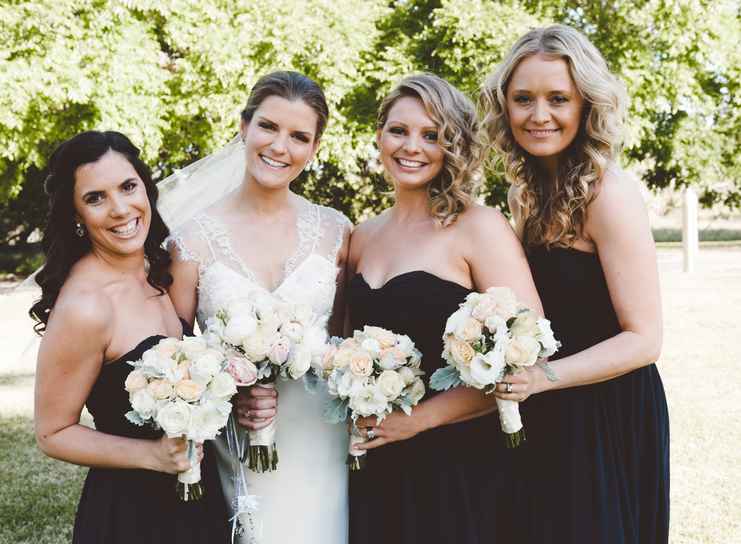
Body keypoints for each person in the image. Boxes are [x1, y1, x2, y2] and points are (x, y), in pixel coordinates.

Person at [480, 24, 669, 543]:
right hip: (547, 411)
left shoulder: (610, 194)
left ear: (586, 105)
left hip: (607, 414)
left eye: (557, 99)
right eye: (523, 99)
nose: (538, 115)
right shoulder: (526, 193)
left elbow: (645, 339)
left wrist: (546, 378)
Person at [346, 73, 542, 544]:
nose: (411, 146)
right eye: (399, 131)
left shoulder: (479, 226)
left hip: (462, 462)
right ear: (379, 135)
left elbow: (530, 355)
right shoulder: (362, 236)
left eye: (431, 135)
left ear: (453, 145)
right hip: (379, 460)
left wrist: (417, 422)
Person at [165, 71, 352, 544]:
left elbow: (348, 340)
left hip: (323, 436)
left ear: (314, 148)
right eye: (268, 127)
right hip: (239, 440)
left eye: (299, 136)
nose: (279, 146)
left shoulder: (336, 231)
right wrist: (230, 394)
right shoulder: (191, 239)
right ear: (244, 126)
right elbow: (172, 362)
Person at [30, 131, 230, 543]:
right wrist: (153, 456)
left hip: (198, 499)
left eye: (127, 186)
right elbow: (52, 432)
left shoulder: (157, 270)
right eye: (95, 198)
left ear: (146, 188)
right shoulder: (87, 306)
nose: (121, 209)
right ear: (76, 214)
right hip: (134, 515)